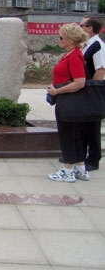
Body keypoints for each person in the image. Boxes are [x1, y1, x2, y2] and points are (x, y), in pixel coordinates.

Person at [47, 23, 89, 182]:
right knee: (75, 135)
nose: (59, 39)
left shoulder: (75, 56)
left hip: (69, 101)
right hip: (69, 101)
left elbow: (80, 82)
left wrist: (57, 91)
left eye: (61, 37)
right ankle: (80, 168)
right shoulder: (71, 54)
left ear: (70, 40)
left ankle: (68, 171)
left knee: (68, 136)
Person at [80, 16, 105, 171]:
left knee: (92, 126)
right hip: (84, 90)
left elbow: (100, 70)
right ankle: (80, 156)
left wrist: (92, 91)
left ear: (89, 28)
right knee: (81, 125)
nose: (79, 27)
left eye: (81, 25)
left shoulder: (98, 46)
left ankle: (93, 159)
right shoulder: (86, 45)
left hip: (92, 91)